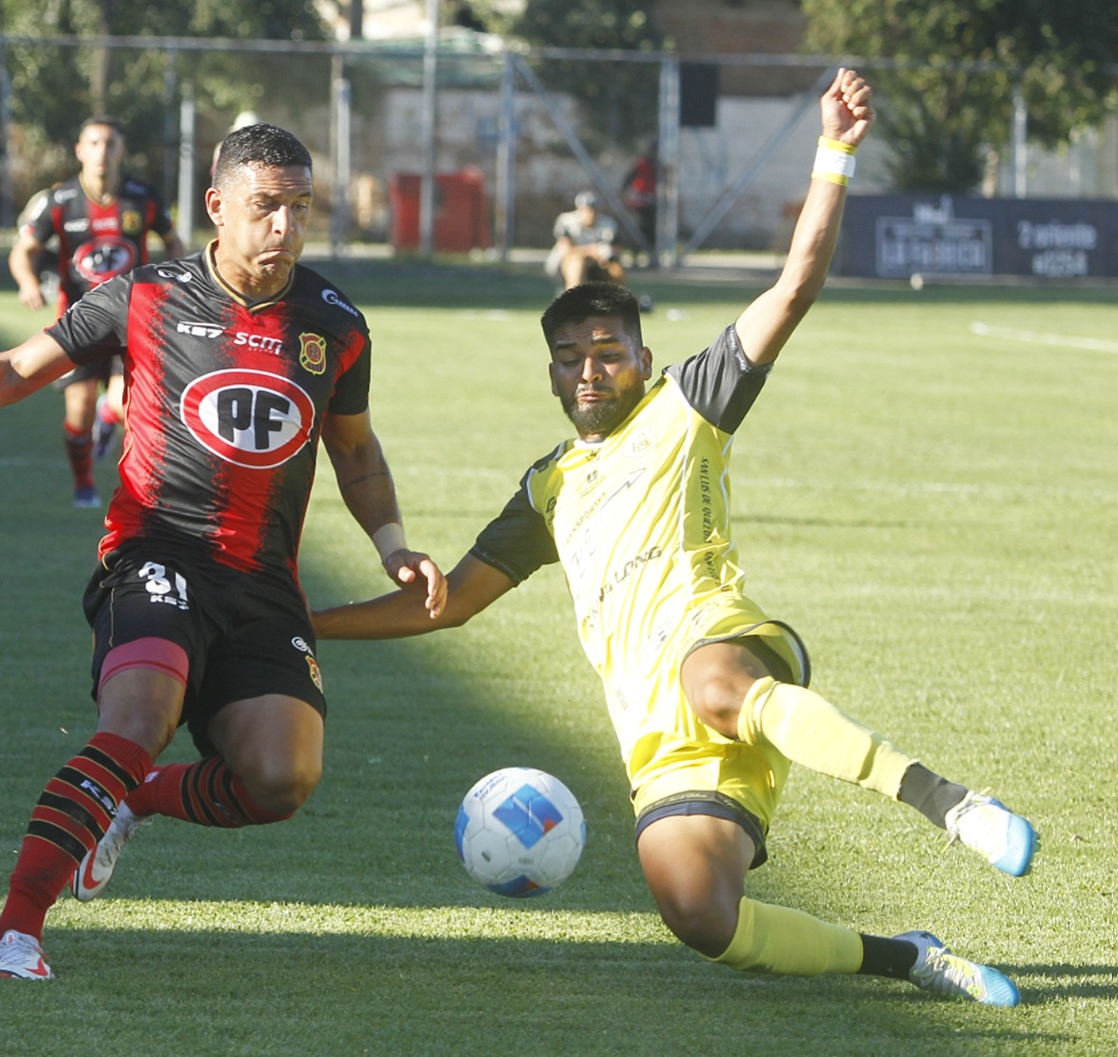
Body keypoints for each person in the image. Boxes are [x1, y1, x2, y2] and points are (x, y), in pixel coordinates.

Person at [312, 70, 1037, 1007]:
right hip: (661, 744)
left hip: (732, 656)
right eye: (569, 358)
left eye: (607, 352)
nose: (588, 370)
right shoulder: (547, 488)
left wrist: (837, 150)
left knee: (712, 682)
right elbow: (446, 605)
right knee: (700, 915)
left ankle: (953, 804)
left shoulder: (687, 406)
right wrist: (308, 622)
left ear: (643, 362)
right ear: (551, 375)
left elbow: (796, 285)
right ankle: (911, 956)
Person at [0, 122, 447, 981]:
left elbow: (354, 452)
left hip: (262, 582)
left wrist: (394, 547)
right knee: (138, 721)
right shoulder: (146, 294)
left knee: (280, 780)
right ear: (217, 207)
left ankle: (130, 800)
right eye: (265, 208)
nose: (284, 228)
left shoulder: (335, 322)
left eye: (298, 209)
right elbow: (24, 367)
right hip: (157, 554)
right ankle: (15, 930)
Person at [8, 116, 186, 507]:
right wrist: (28, 283)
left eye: (109, 144)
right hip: (79, 321)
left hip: (135, 321)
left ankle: (138, 484)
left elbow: (174, 243)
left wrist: (172, 283)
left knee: (128, 410)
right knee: (80, 408)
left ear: (121, 151)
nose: (101, 151)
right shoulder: (59, 201)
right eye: (93, 143)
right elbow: (23, 252)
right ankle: (84, 484)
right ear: (79, 150)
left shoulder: (142, 196)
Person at [545, 190, 624, 289]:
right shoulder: (567, 222)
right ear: (579, 209)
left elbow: (617, 251)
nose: (591, 213)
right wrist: (592, 251)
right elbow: (566, 251)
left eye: (595, 209)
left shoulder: (608, 224)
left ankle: (616, 300)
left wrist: (607, 255)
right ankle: (573, 299)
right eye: (587, 210)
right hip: (566, 265)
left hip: (598, 264)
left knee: (616, 270)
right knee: (577, 263)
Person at [622, 145, 657, 266]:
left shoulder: (658, 165)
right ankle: (634, 256)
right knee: (637, 229)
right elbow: (628, 179)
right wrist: (624, 193)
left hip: (651, 201)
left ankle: (651, 257)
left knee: (651, 230)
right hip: (639, 201)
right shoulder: (641, 164)